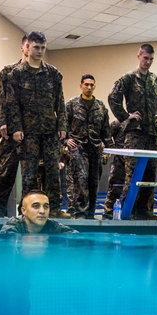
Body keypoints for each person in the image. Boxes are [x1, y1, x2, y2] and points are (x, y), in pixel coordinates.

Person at [3, 31, 68, 218]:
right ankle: (27, 211)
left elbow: (60, 102)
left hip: (49, 131)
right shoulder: (16, 74)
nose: (39, 51)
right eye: (36, 47)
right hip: (28, 133)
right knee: (29, 174)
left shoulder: (53, 74)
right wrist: (16, 128)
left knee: (52, 172)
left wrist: (62, 124)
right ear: (27, 47)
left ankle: (54, 208)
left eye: (43, 48)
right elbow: (12, 104)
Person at [107, 44, 157, 220]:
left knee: (150, 173)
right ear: (138, 56)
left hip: (152, 134)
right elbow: (113, 98)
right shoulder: (128, 78)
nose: (148, 62)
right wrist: (126, 117)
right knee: (134, 174)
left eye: (151, 59)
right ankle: (130, 211)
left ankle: (144, 210)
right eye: (145, 58)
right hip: (135, 134)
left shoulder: (156, 82)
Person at [0, 35, 30, 217]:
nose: (32, 49)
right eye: (29, 46)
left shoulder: (43, 75)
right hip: (10, 135)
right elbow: (1, 100)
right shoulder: (8, 72)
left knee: (30, 179)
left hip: (32, 135)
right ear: (22, 47)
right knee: (4, 176)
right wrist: (2, 123)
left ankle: (25, 217)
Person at [64, 74, 111, 219]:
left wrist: (107, 146)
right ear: (81, 86)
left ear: (94, 86)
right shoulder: (71, 104)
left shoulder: (101, 106)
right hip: (78, 148)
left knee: (93, 182)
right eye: (86, 84)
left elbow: (106, 129)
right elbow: (62, 125)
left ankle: (90, 213)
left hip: (95, 149)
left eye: (92, 85)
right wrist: (65, 140)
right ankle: (80, 213)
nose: (89, 87)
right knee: (81, 181)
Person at [0, 190, 78, 234]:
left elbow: (75, 236)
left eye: (46, 207)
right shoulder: (14, 225)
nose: (42, 211)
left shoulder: (52, 225)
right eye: (36, 206)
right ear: (23, 210)